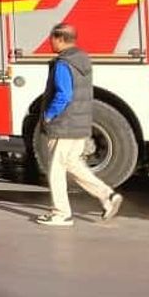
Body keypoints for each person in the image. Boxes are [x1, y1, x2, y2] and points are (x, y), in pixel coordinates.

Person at [36, 23, 123, 227]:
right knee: (73, 164)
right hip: (78, 123)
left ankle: (61, 214)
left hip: (63, 124)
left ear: (60, 38)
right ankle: (107, 196)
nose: (50, 43)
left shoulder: (63, 63)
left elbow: (63, 95)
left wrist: (48, 115)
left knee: (56, 169)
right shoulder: (82, 59)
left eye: (52, 39)